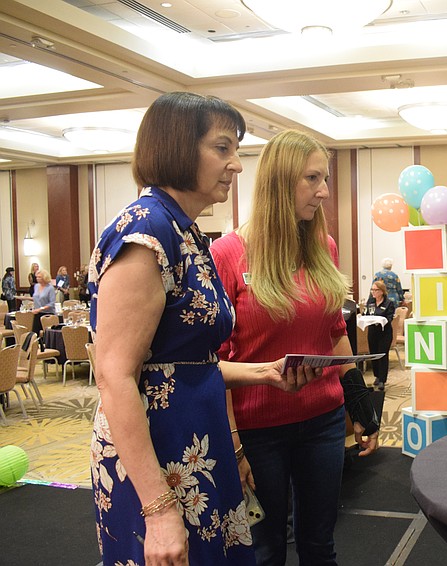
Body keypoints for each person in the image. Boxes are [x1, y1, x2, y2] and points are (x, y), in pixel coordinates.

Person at [88, 91, 312, 566]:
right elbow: (115, 374)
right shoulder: (147, 232)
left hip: (197, 441)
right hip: (158, 458)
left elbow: (186, 363)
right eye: (222, 148)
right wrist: (159, 509)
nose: (236, 165)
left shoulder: (186, 230)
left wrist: (262, 372)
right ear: (176, 148)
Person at [210, 128, 380, 565]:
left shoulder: (323, 246)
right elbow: (215, 359)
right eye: (312, 178)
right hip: (256, 429)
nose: (324, 191)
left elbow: (334, 331)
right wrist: (234, 444)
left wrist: (356, 396)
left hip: (322, 420)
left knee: (319, 545)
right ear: (280, 182)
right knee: (266, 551)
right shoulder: (228, 254)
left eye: (325, 179)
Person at [365, 279, 396, 391]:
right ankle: (377, 376)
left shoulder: (388, 303)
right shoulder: (370, 302)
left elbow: (389, 318)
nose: (373, 292)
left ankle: (382, 380)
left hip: (384, 333)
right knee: (374, 354)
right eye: (372, 290)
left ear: (382, 291)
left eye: (376, 290)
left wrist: (380, 320)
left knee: (383, 355)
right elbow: (367, 314)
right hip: (372, 332)